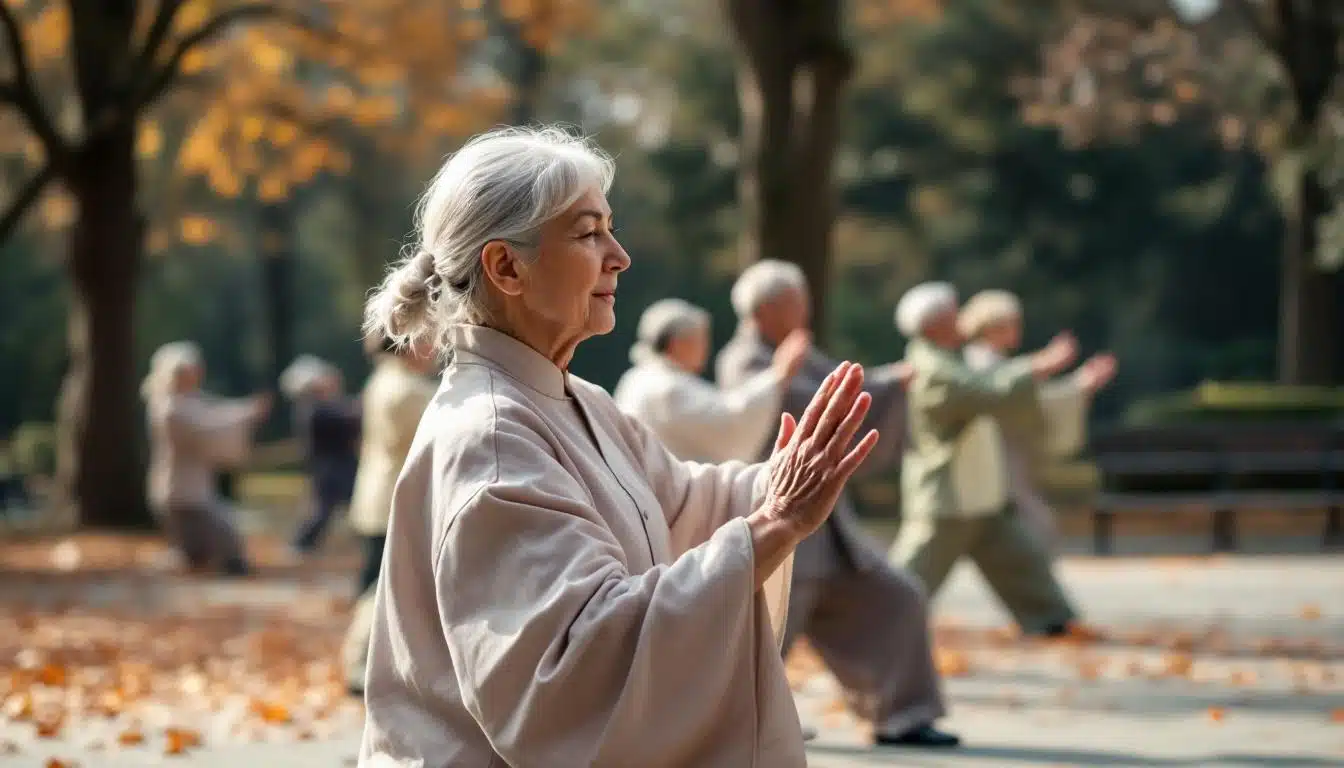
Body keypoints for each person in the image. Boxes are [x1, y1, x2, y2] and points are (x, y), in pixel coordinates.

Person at [357, 126, 881, 767]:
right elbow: (573, 669)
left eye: (610, 229)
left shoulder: (575, 399)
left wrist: (785, 484)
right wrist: (773, 523)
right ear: (505, 267)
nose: (620, 256)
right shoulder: (491, 438)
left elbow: (683, 506)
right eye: (588, 234)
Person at [717, 260, 959, 748]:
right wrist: (887, 384)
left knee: (896, 598)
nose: (804, 310)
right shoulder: (743, 359)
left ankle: (901, 716)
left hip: (829, 526)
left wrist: (889, 381)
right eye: (794, 302)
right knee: (765, 631)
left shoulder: (798, 351)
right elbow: (805, 405)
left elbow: (840, 383)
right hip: (779, 520)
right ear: (765, 310)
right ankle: (732, 726)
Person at [887, 282, 1087, 636]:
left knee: (1020, 560)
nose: (961, 319)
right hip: (947, 498)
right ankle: (873, 627)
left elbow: (991, 379)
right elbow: (986, 391)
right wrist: (1040, 365)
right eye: (954, 314)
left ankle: (1054, 621)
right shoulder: (933, 369)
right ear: (935, 325)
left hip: (979, 494)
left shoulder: (949, 357)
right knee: (909, 578)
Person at [612, 297, 811, 646]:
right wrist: (778, 374)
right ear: (678, 343)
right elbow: (729, 423)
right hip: (672, 511)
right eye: (699, 340)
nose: (705, 347)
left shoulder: (638, 379)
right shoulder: (666, 387)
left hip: (652, 508)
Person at [955, 290, 1117, 546]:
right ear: (993, 327)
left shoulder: (990, 361)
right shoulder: (979, 363)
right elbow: (1020, 397)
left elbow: (1030, 396)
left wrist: (1079, 384)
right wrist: (1078, 384)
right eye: (1012, 323)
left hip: (1006, 461)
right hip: (994, 462)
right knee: (1032, 530)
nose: (1018, 329)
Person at [341, 332, 439, 695]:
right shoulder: (408, 390)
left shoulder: (383, 379)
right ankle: (360, 664)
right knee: (381, 588)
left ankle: (366, 663)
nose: (434, 349)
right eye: (426, 341)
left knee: (380, 585)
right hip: (391, 500)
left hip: (377, 496)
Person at [142, 341, 271, 576]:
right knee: (223, 537)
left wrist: (247, 409)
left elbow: (214, 413)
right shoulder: (170, 408)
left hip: (194, 489)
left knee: (202, 550)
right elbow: (208, 425)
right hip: (181, 492)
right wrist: (248, 412)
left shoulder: (186, 401)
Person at [280, 355, 362, 554]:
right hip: (332, 468)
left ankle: (301, 544)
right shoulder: (318, 409)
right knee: (324, 509)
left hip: (332, 466)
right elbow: (352, 416)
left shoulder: (317, 407)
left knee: (327, 508)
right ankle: (300, 544)